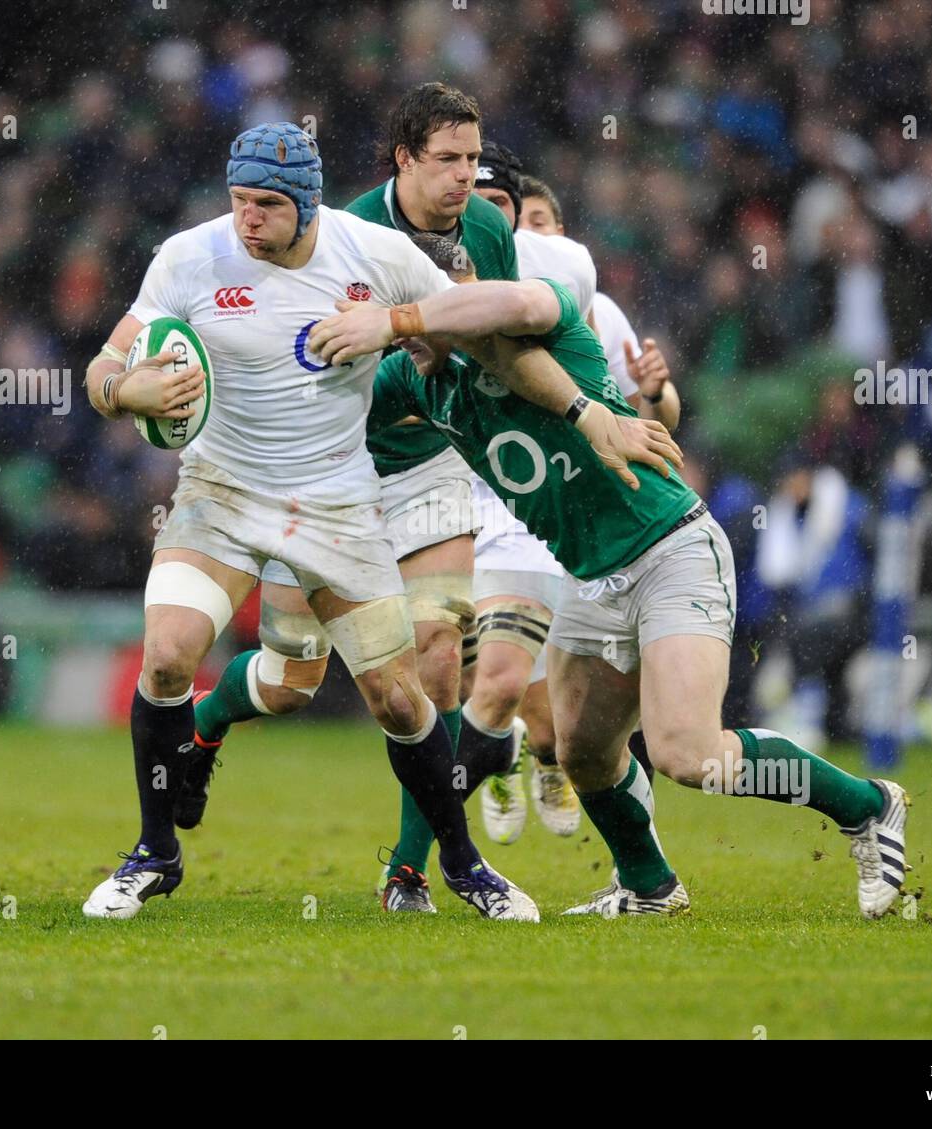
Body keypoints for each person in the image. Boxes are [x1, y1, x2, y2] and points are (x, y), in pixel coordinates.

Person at [166, 119, 682, 918]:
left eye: (477, 166)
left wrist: (588, 412)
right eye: (451, 161)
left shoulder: (530, 249)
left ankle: (412, 869)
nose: (466, 182)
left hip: (432, 468)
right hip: (333, 469)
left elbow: (514, 346)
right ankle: (204, 724)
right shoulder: (340, 235)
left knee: (437, 658)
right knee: (291, 676)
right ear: (405, 159)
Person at [311, 235, 910, 919]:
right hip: (589, 575)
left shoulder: (540, 323)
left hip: (669, 549)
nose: (408, 329)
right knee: (584, 752)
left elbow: (510, 300)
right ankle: (650, 886)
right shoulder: (411, 377)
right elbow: (321, 409)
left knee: (688, 753)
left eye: (422, 309)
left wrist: (398, 319)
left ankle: (869, 805)